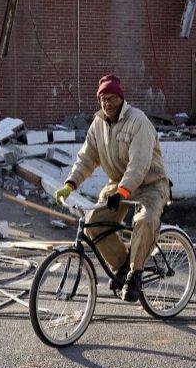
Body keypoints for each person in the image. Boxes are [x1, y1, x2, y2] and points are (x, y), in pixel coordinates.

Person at [54, 74, 170, 302]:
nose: (107, 103)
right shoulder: (98, 124)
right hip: (119, 184)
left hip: (150, 184)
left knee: (145, 221)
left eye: (111, 98)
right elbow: (87, 157)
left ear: (121, 98)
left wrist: (123, 192)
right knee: (93, 225)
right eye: (103, 99)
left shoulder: (139, 122)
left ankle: (135, 275)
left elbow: (139, 165)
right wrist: (70, 184)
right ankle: (123, 266)